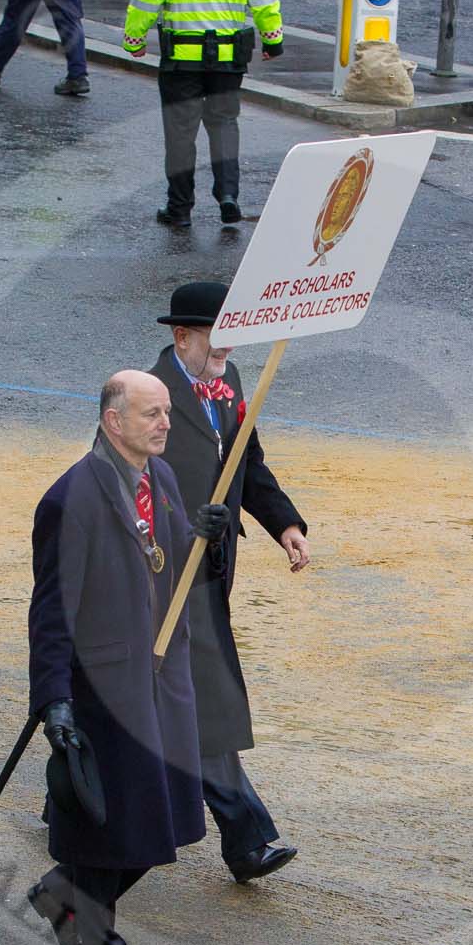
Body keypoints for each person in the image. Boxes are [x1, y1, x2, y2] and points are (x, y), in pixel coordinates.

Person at [25, 370, 228, 945]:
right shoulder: (69, 499)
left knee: (162, 817)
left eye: (167, 411)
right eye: (151, 414)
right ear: (114, 421)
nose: (166, 422)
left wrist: (211, 543)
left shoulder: (161, 480)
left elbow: (174, 569)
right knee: (111, 833)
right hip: (104, 692)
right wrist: (53, 698)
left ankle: (63, 896)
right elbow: (51, 611)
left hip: (162, 682)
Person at [146, 282, 306, 883]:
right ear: (181, 336)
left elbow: (247, 461)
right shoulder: (144, 396)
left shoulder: (232, 382)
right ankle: (246, 838)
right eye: (217, 338)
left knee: (141, 697)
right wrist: (184, 525)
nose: (228, 349)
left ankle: (68, 803)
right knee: (204, 702)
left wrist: (284, 522)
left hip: (211, 576)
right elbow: (118, 489)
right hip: (159, 576)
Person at [121, 0, 283, 228]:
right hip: (227, 59)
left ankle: (179, 210)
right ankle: (228, 196)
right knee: (224, 124)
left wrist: (134, 40)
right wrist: (273, 40)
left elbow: (145, 0)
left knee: (181, 132)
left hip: (181, 60)